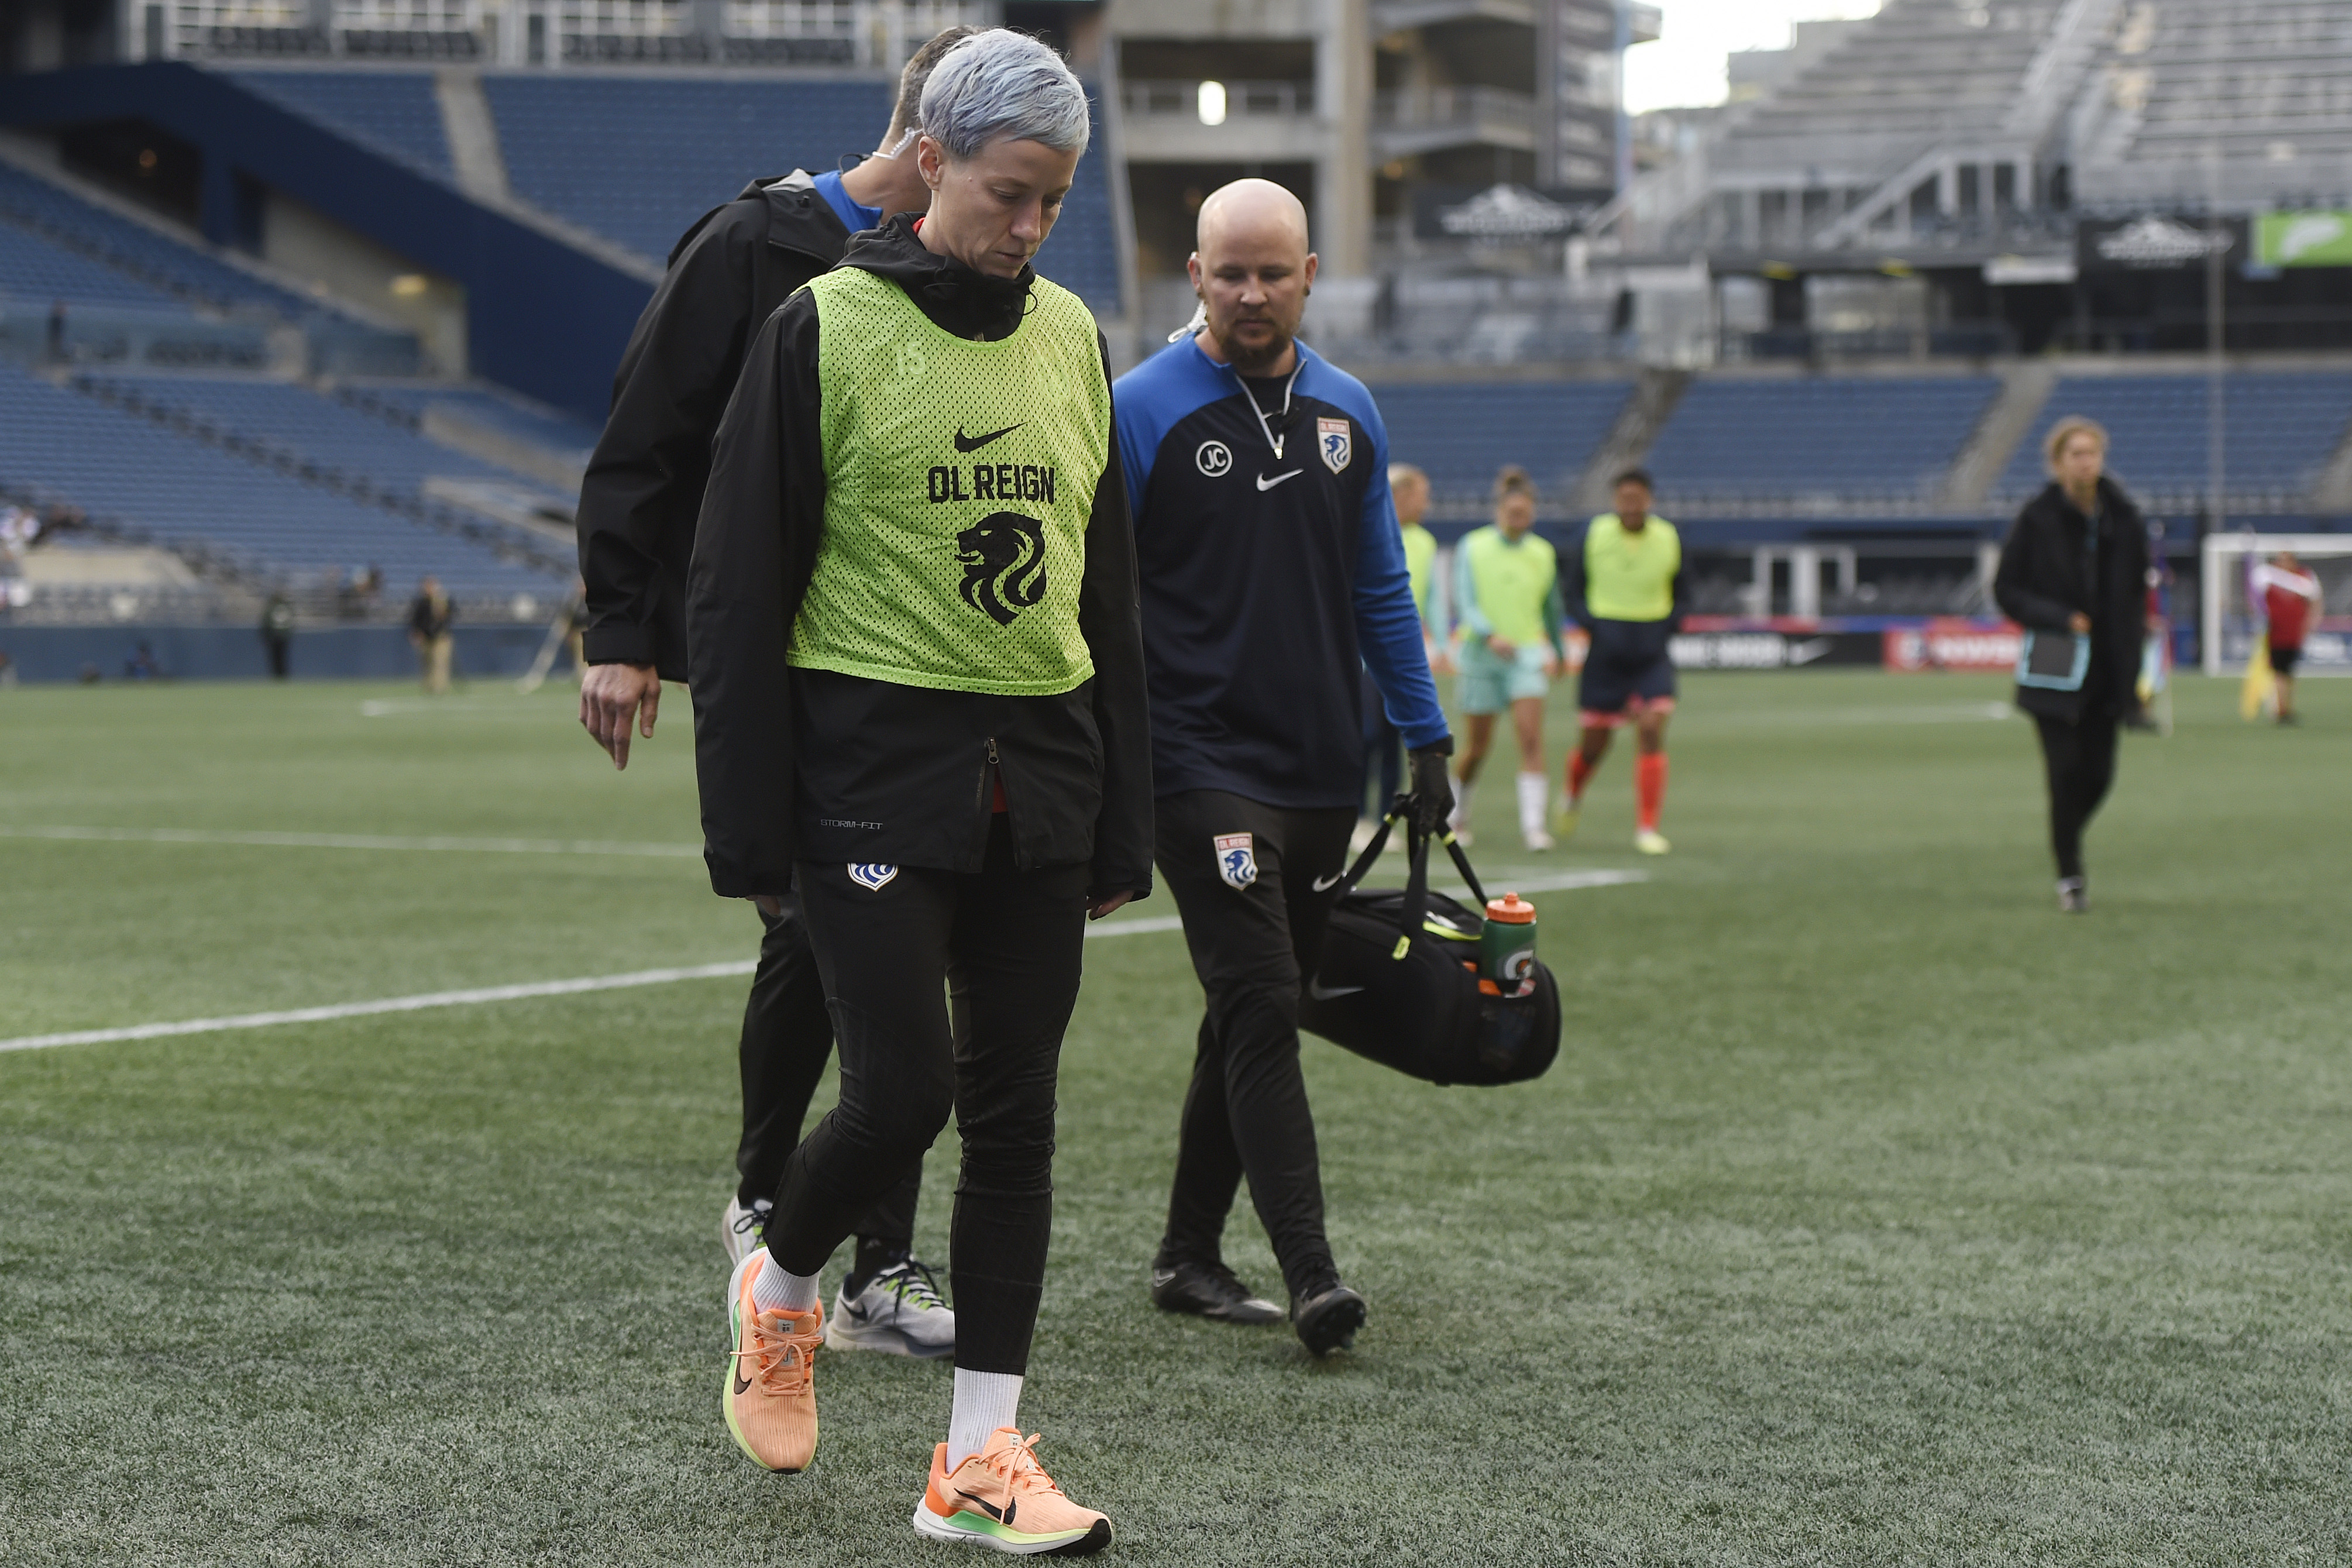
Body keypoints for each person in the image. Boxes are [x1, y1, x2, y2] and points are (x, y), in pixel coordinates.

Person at [687, 32, 1149, 1550]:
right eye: (1009, 194)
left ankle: (977, 1462)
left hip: (1048, 775)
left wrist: (1118, 817)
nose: (1028, 228)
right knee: (902, 1096)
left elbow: (1111, 594)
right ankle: (785, 1281)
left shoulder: (1076, 336)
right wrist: (748, 830)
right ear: (931, 162)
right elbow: (736, 588)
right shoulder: (819, 325)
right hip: (871, 774)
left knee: (1016, 1122)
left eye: (1054, 203)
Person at [574, 26, 971, 1358]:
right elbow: (642, 438)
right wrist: (621, 630)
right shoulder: (756, 248)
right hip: (779, 655)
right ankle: (780, 1206)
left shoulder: (958, 272)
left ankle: (861, 1251)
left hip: (910, 655)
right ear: (932, 147)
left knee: (875, 931)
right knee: (833, 927)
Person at [1115, 177, 1453, 1356]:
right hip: (1196, 764)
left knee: (1251, 1008)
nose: (1251, 294)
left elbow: (1379, 588)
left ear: (1311, 276)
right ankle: (1314, 1276)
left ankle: (1186, 1256)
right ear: (1193, 278)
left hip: (1325, 770)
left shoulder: (1350, 412)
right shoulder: (1139, 409)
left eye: (1274, 272)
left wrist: (1428, 736)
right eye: (1229, 272)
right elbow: (1099, 604)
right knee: (1259, 998)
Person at [1995, 417, 2148, 913]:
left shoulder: (2125, 517)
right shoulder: (2036, 518)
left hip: (2109, 660)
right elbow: (2007, 590)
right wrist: (2058, 616)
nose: (2087, 462)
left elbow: (2135, 594)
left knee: (2100, 774)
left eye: (2093, 453)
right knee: (2063, 771)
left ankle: (2064, 835)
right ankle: (2070, 874)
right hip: (2056, 656)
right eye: (2076, 454)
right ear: (2058, 462)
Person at [1557, 467, 1686, 855]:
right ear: (1616, 501)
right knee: (1595, 745)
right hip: (1607, 651)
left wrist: (1669, 624)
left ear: (1650, 500)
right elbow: (1573, 588)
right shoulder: (1594, 535)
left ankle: (1647, 827)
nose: (1631, 506)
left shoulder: (1668, 537)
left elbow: (1685, 589)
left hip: (1651, 650)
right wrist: (1592, 624)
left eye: (1638, 499)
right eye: (1624, 499)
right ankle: (1572, 794)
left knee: (1651, 727)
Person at [1448, 466, 1566, 851]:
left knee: (1531, 739)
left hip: (1526, 655)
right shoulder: (1473, 546)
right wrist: (1488, 634)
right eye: (1514, 512)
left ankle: (1534, 827)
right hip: (1482, 656)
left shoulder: (1542, 553)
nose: (1521, 518)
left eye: (1526, 512)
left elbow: (1551, 607)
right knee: (1477, 745)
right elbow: (1466, 600)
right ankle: (1457, 814)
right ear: (1500, 511)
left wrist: (1559, 651)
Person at [1357, 461, 1440, 838]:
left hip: (1400, 657)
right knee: (1364, 737)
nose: (1426, 505)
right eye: (1422, 496)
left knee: (1393, 740)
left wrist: (1435, 642)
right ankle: (1357, 816)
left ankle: (1383, 820)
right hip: (1362, 656)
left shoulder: (1425, 541)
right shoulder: (1365, 532)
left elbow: (1431, 598)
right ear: (1401, 495)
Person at [2255, 551, 2322, 725]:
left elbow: (2315, 600)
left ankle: (2285, 708)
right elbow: (2256, 599)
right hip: (2276, 632)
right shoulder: (2269, 576)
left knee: (2289, 672)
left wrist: (2311, 622)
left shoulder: (2303, 577)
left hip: (2295, 633)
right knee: (2279, 671)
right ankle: (2280, 709)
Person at [406, 576, 453, 692]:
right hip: (425, 638)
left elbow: (448, 617)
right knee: (426, 662)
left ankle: (439, 687)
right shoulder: (421, 603)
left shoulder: (442, 601)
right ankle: (428, 686)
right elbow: (415, 620)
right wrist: (416, 633)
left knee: (439, 662)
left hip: (440, 637)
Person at [260, 590, 294, 679]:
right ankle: (281, 675)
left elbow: (266, 622)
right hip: (282, 636)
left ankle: (278, 675)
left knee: (277, 657)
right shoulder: (285, 607)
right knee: (282, 657)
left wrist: (266, 635)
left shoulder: (272, 608)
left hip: (275, 636)